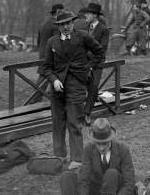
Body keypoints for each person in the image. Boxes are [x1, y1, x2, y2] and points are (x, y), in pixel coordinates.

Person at [40, 9, 104, 169]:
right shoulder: (52, 42)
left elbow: (100, 52)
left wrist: (88, 67)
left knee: (74, 122)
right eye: (62, 24)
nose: (65, 27)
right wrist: (53, 80)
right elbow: (46, 67)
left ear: (73, 22)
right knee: (57, 122)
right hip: (57, 89)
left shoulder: (82, 37)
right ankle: (59, 156)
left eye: (68, 23)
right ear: (58, 26)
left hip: (77, 85)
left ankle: (77, 159)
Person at [54, 118, 135, 195]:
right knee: (67, 176)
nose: (101, 148)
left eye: (105, 143)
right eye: (98, 143)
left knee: (112, 172)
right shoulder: (88, 148)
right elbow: (84, 177)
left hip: (113, 191)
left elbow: (129, 183)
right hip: (95, 188)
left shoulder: (123, 149)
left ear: (111, 139)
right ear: (94, 141)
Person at [81, 3, 110, 125]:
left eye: (87, 13)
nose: (85, 15)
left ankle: (86, 113)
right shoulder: (85, 28)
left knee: (93, 86)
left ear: (95, 15)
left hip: (97, 62)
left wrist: (90, 58)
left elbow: (102, 49)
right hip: (84, 62)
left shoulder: (103, 30)